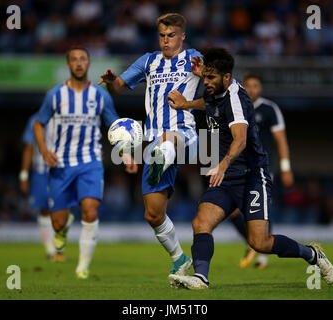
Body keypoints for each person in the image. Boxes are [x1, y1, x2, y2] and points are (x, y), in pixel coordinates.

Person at [167, 47, 333, 289]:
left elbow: (241, 140)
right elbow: (211, 103)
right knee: (201, 223)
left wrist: (222, 164)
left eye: (210, 78)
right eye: (204, 76)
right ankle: (200, 277)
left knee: (260, 242)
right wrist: (188, 104)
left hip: (252, 176)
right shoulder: (216, 89)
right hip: (226, 177)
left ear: (226, 77)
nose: (205, 82)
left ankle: (312, 255)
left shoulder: (236, 98)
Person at [99, 13, 202, 277]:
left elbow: (220, 89)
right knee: (153, 215)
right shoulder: (148, 61)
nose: (165, 41)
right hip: (154, 139)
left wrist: (202, 83)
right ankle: (179, 259)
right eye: (162, 36)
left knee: (169, 141)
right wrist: (112, 82)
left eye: (171, 36)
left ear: (182, 37)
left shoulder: (194, 58)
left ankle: (160, 156)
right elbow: (120, 87)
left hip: (184, 134)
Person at [33, 46, 137, 279]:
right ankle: (63, 226)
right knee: (58, 223)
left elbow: (115, 126)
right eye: (74, 60)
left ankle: (82, 267)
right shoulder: (55, 95)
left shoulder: (100, 95)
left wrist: (126, 153)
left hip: (90, 163)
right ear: (68, 65)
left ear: (88, 64)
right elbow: (39, 124)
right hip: (60, 164)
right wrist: (44, 150)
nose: (79, 63)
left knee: (90, 212)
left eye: (83, 59)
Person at [231, 73, 295, 269]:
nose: (252, 90)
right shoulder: (236, 106)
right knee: (232, 211)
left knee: (260, 211)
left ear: (261, 88)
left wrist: (285, 168)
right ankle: (253, 243)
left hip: (262, 168)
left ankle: (262, 255)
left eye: (256, 86)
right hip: (238, 166)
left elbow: (281, 140)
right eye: (248, 86)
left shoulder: (269, 109)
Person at [20, 113, 64, 262]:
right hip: (41, 171)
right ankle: (51, 250)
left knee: (63, 209)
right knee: (44, 210)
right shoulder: (35, 120)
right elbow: (28, 148)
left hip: (63, 171)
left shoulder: (68, 117)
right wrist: (24, 175)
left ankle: (59, 247)